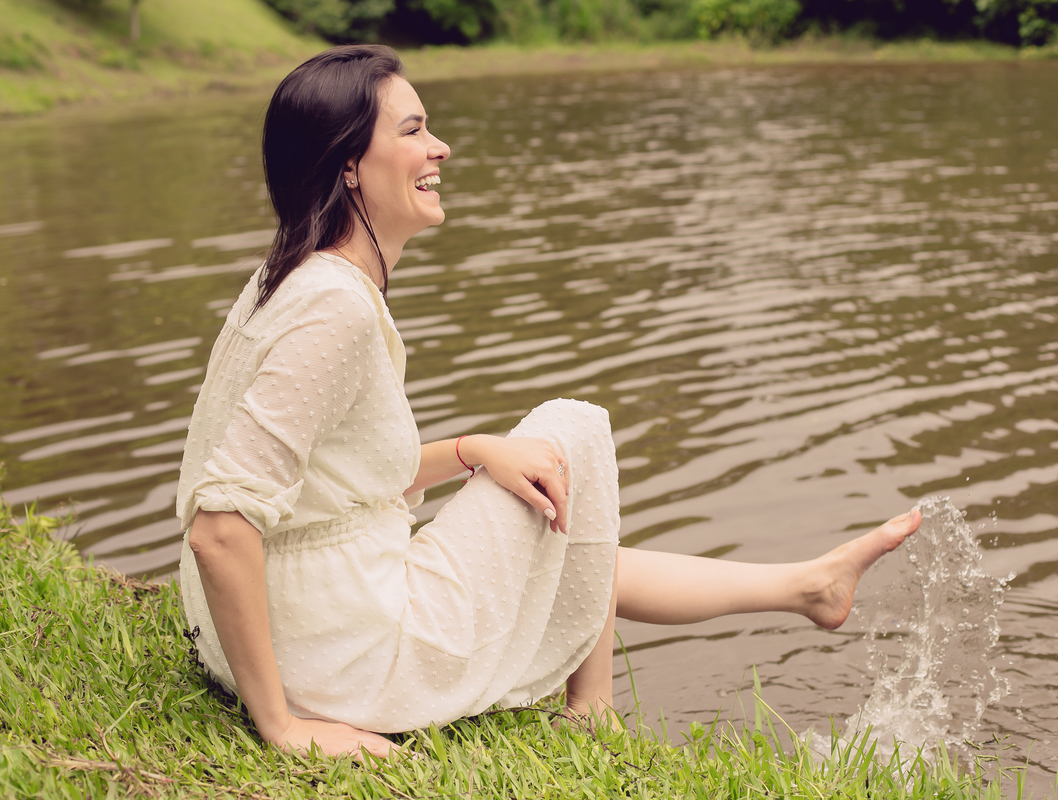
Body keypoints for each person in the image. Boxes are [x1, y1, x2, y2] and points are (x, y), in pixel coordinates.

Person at [177, 44, 923, 761]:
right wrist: (281, 723)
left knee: (561, 525)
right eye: (413, 131)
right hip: (342, 658)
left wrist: (472, 450)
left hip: (292, 626)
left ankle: (806, 586)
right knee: (575, 432)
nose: (441, 149)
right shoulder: (332, 309)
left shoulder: (295, 279)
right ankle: (592, 711)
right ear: (347, 165)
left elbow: (323, 482)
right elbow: (221, 526)